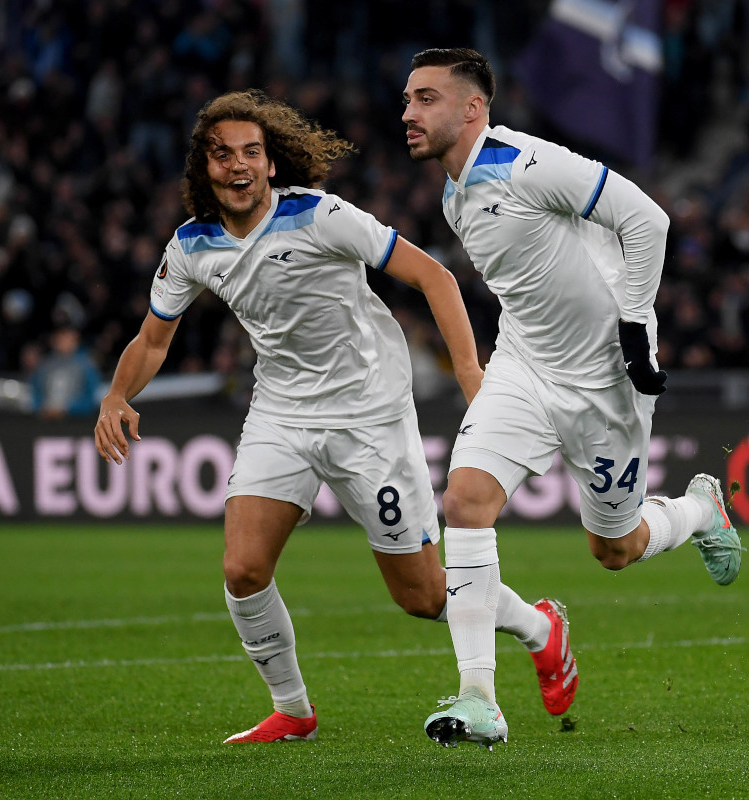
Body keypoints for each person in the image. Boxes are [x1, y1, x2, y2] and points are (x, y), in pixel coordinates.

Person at [93, 90, 576, 744]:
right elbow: (153, 339)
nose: (237, 166)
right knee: (242, 569)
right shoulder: (192, 247)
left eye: (250, 153)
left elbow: (433, 277)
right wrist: (119, 395)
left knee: (423, 596)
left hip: (368, 415)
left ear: (270, 164)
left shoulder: (320, 216)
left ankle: (540, 628)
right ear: (203, 168)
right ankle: (293, 709)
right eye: (221, 153)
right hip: (281, 413)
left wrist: (472, 376)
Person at [401, 48, 744, 749]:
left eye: (425, 98)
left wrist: (635, 327)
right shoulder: (452, 193)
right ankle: (478, 699)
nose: (407, 112)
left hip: (606, 382)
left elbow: (647, 221)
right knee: (464, 499)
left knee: (614, 550)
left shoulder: (527, 164)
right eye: (407, 99)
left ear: (472, 108)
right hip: (525, 368)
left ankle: (699, 510)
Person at [28, 324, 102, 419]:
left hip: (77, 422)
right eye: (60, 337)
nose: (63, 342)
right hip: (45, 420)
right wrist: (42, 408)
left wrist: (69, 409)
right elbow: (34, 392)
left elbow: (93, 396)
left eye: (67, 338)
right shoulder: (45, 365)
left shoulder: (86, 366)